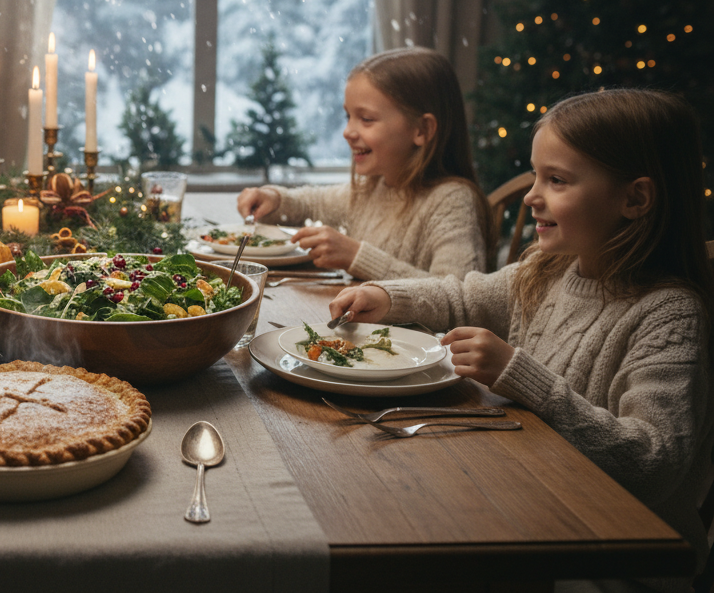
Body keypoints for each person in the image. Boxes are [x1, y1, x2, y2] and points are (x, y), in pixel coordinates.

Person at [329, 88, 714, 592]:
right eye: (535, 175)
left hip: (608, 563)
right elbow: (464, 294)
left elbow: (652, 462)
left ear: (635, 198)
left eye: (556, 180)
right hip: (531, 506)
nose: (532, 196)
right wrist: (385, 295)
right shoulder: (548, 268)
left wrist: (522, 375)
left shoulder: (669, 313)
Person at [236, 47, 488, 280]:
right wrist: (273, 198)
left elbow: (459, 297)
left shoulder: (453, 202)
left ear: (422, 129)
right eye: (349, 116)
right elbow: (310, 203)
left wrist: (358, 257)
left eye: (366, 119)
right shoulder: (374, 187)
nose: (347, 132)